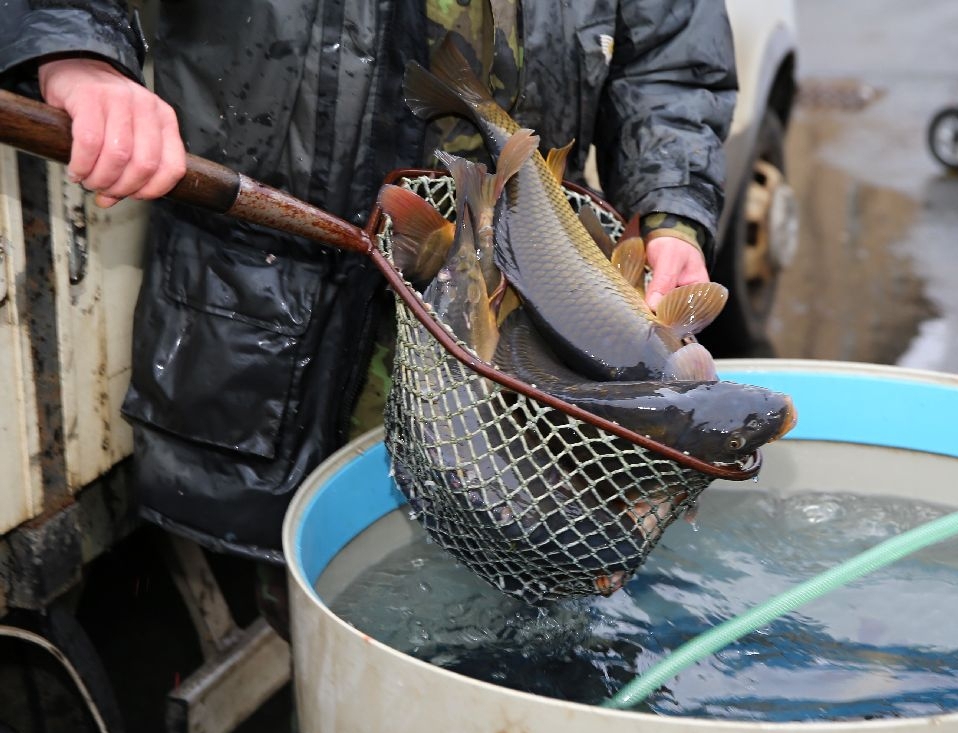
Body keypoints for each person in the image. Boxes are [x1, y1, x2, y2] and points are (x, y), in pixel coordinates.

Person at [0, 0, 738, 617]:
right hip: (287, 331)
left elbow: (672, 59)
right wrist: (77, 50)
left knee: (527, 610)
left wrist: (671, 213)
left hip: (530, 330)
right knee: (337, 604)